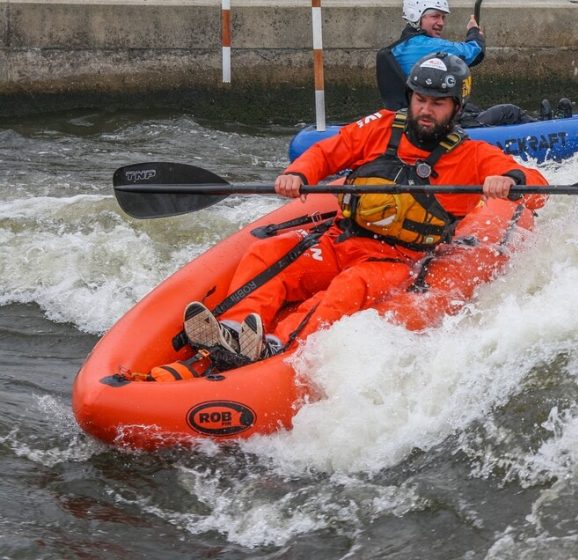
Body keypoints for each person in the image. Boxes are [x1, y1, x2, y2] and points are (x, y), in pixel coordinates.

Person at [150, 53, 548, 381]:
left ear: (455, 108)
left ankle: (275, 348)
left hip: (397, 260)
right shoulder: (378, 126)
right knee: (268, 255)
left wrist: (507, 179)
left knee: (346, 288)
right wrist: (298, 175)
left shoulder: (472, 155)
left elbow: (533, 182)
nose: (425, 110)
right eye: (420, 99)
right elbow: (328, 153)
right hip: (342, 238)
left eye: (437, 103)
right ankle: (235, 330)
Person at [377, 0, 573, 127]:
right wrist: (474, 33)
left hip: (417, 119)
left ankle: (545, 124)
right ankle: (550, 129)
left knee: (471, 108)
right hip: (431, 124)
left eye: (443, 17)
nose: (441, 23)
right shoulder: (421, 45)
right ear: (415, 17)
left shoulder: (399, 48)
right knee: (508, 112)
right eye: (435, 16)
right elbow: (473, 53)